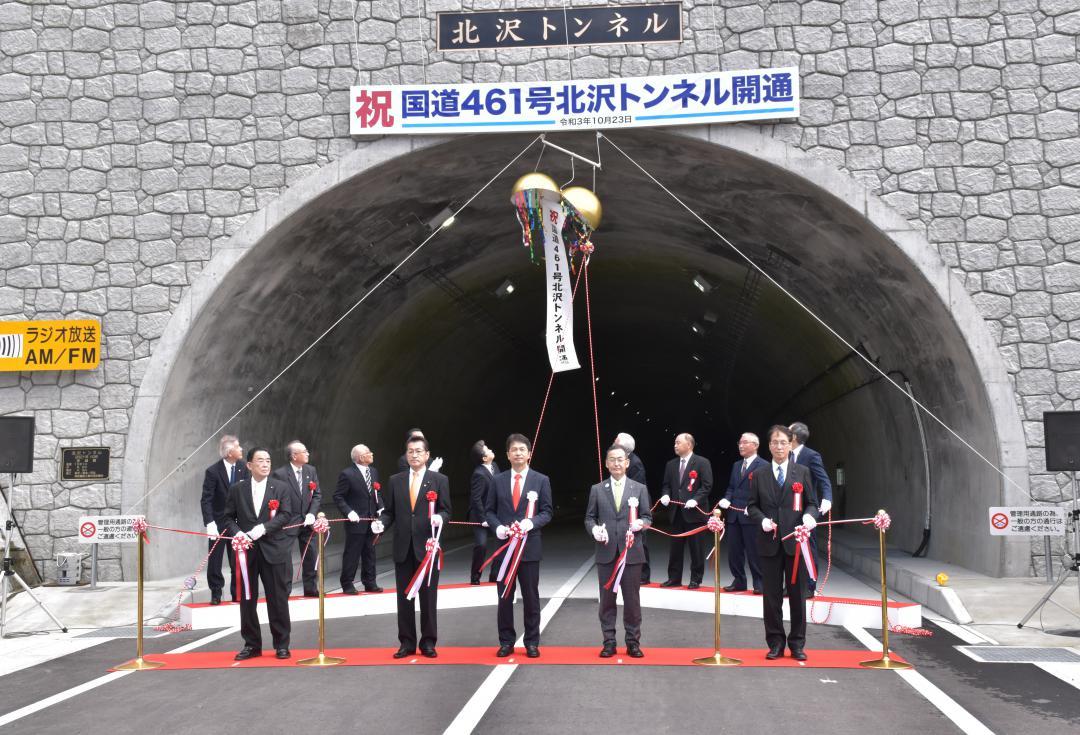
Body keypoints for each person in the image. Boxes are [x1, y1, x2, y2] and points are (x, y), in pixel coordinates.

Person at [375, 436, 451, 659]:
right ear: (406, 455)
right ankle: (406, 642)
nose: (414, 455)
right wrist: (381, 524)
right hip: (403, 547)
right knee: (404, 597)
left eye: (419, 451)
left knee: (428, 597)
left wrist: (440, 518)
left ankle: (428, 642)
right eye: (410, 451)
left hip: (428, 546)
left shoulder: (439, 480)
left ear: (427, 455)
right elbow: (390, 511)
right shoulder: (395, 480)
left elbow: (447, 510)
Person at [747, 425, 818, 661]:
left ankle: (797, 644)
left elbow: (812, 503)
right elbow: (751, 505)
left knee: (798, 595)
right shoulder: (759, 474)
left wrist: (809, 516)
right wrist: (762, 520)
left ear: (791, 445)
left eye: (783, 442)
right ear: (769, 446)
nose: (779, 446)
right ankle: (775, 642)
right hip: (769, 542)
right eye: (775, 442)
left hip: (795, 543)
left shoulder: (802, 472)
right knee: (772, 596)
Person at [222, 447, 295, 660]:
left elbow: (286, 514)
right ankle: (251, 644)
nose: (265, 464)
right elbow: (227, 517)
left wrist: (264, 528)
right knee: (247, 598)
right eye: (260, 460)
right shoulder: (238, 489)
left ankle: (282, 644)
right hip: (247, 551)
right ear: (250, 465)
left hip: (274, 549)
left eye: (268, 460)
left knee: (278, 598)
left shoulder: (280, 487)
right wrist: (238, 534)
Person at [485, 434, 554, 658]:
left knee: (531, 597)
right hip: (505, 548)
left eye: (522, 449)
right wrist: (497, 528)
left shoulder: (541, 480)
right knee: (504, 596)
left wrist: (530, 523)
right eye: (513, 450)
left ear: (529, 453)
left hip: (529, 548)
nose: (518, 453)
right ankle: (506, 641)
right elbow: (489, 511)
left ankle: (532, 641)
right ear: (507, 454)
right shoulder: (497, 480)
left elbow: (547, 511)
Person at [585, 444, 652, 658]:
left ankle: (633, 641)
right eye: (612, 459)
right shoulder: (597, 489)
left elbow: (648, 517)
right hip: (606, 553)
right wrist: (594, 529)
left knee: (632, 600)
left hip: (631, 553)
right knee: (606, 600)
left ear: (627, 463)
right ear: (606, 463)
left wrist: (641, 523)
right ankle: (609, 641)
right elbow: (589, 517)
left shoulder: (639, 488)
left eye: (620, 459)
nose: (616, 463)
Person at [658, 433, 713, 589]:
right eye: (674, 443)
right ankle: (674, 578)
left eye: (678, 442)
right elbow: (666, 485)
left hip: (695, 513)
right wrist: (665, 495)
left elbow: (706, 486)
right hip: (676, 513)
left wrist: (695, 499)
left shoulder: (702, 463)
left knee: (696, 549)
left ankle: (696, 579)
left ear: (689, 445)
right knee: (675, 549)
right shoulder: (671, 464)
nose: (675, 445)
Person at [199, 434, 249, 605]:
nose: (241, 449)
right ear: (229, 452)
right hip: (219, 522)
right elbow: (206, 499)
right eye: (238, 446)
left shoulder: (244, 468)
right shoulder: (213, 471)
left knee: (237, 557)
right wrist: (209, 523)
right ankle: (216, 592)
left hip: (237, 523)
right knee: (215, 559)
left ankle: (238, 593)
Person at [718, 433, 768, 594]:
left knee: (754, 551)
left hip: (751, 515)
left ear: (755, 445)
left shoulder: (764, 465)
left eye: (745, 442)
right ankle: (739, 580)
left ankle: (759, 582)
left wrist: (754, 506)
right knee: (734, 551)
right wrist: (726, 499)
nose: (741, 445)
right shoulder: (736, 465)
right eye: (740, 442)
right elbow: (732, 487)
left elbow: (765, 491)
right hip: (734, 515)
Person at [271, 440, 321, 597]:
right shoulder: (280, 474)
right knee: (286, 557)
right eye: (304, 451)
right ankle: (285, 590)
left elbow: (317, 494)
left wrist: (312, 514)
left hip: (308, 520)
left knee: (311, 553)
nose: (307, 454)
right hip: (289, 522)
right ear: (293, 456)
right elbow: (277, 499)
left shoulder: (310, 470)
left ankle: (311, 588)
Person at [789, 421, 833, 594]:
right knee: (789, 548)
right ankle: (791, 584)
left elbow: (823, 479)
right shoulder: (785, 455)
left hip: (807, 508)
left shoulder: (811, 455)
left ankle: (809, 585)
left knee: (809, 547)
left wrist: (827, 498)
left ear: (794, 437)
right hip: (788, 509)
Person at [334, 444, 383, 594]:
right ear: (361, 457)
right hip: (356, 521)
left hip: (371, 519)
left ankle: (370, 582)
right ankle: (347, 583)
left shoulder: (373, 472)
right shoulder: (347, 474)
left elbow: (376, 493)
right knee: (352, 553)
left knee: (370, 551)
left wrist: (380, 507)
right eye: (369, 452)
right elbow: (338, 496)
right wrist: (349, 512)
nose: (372, 454)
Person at [615, 432, 651, 584]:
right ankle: (626, 571)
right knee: (624, 539)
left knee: (639, 541)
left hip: (635, 505)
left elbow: (638, 486)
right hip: (625, 504)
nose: (613, 441)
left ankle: (643, 575)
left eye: (616, 440)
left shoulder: (635, 462)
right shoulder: (619, 460)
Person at [468, 440, 500, 585]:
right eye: (487, 449)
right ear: (484, 458)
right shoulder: (479, 474)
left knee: (501, 543)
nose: (491, 449)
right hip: (480, 516)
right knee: (481, 545)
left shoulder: (494, 466)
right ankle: (475, 576)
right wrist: (483, 519)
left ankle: (495, 575)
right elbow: (476, 499)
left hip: (495, 514)